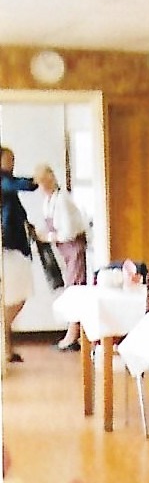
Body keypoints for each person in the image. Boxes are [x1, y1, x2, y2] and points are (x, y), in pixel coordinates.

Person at [35, 164, 88, 350]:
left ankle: (73, 335)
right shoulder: (48, 201)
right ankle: (76, 333)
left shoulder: (62, 200)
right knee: (70, 289)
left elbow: (68, 232)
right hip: (63, 251)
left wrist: (47, 237)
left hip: (74, 249)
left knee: (75, 289)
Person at [1, 146, 38, 364]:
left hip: (15, 247)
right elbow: (19, 184)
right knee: (13, 297)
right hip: (9, 248)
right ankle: (5, 345)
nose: (12, 163)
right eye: (8, 159)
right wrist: (36, 181)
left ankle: (6, 345)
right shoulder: (4, 181)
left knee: (16, 297)